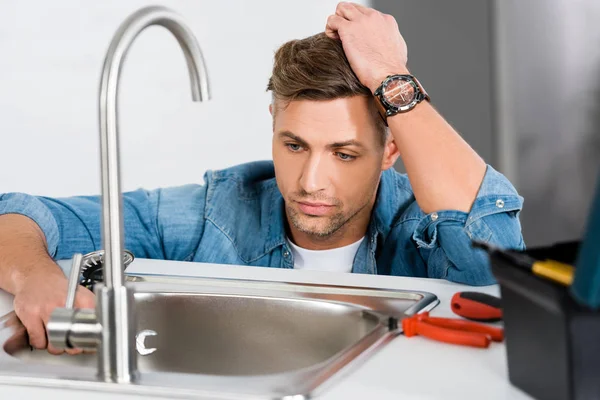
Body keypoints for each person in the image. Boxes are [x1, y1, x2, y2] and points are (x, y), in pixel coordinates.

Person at [0, 2, 524, 354]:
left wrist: (390, 74)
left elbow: (489, 266)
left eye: (344, 154)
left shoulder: (419, 223)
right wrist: (34, 275)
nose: (311, 181)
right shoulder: (218, 210)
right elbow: (21, 213)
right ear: (273, 124)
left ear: (391, 150)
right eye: (294, 146)